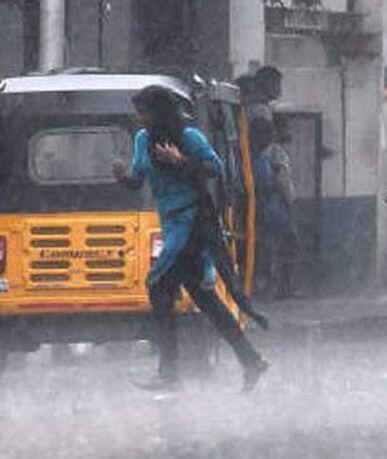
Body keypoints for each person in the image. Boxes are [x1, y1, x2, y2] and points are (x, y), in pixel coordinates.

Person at [112, 85, 269, 391]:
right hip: (171, 224)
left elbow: (215, 169)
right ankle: (251, 359)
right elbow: (137, 179)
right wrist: (121, 177)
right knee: (205, 299)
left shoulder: (190, 137)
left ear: (159, 112)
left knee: (159, 288)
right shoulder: (143, 141)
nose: (139, 118)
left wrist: (181, 160)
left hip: (192, 224)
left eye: (144, 112)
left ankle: (169, 373)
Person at [250, 117, 301, 299]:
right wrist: (290, 202)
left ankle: (265, 288)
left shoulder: (252, 153)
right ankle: (284, 289)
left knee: (265, 248)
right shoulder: (277, 153)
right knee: (289, 246)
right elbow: (283, 180)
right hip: (277, 206)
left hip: (258, 207)